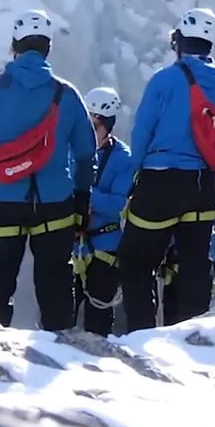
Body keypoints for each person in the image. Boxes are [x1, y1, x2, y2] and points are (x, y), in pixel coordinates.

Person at [0, 9, 98, 331]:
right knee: (55, 285)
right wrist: (81, 196)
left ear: (15, 45)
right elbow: (86, 152)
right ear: (48, 47)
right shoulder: (66, 94)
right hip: (55, 205)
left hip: (2, 202)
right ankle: (59, 353)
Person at [119, 8, 215, 329]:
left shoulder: (165, 80)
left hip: (162, 181)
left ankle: (141, 334)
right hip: (204, 186)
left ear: (180, 42)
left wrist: (133, 178)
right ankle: (193, 334)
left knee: (136, 260)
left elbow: (142, 131)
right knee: (194, 264)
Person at [77, 87, 135, 335]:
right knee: (58, 312)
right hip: (73, 243)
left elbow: (117, 204)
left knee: (98, 319)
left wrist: (82, 193)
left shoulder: (123, 159)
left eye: (94, 125)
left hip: (104, 246)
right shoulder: (74, 150)